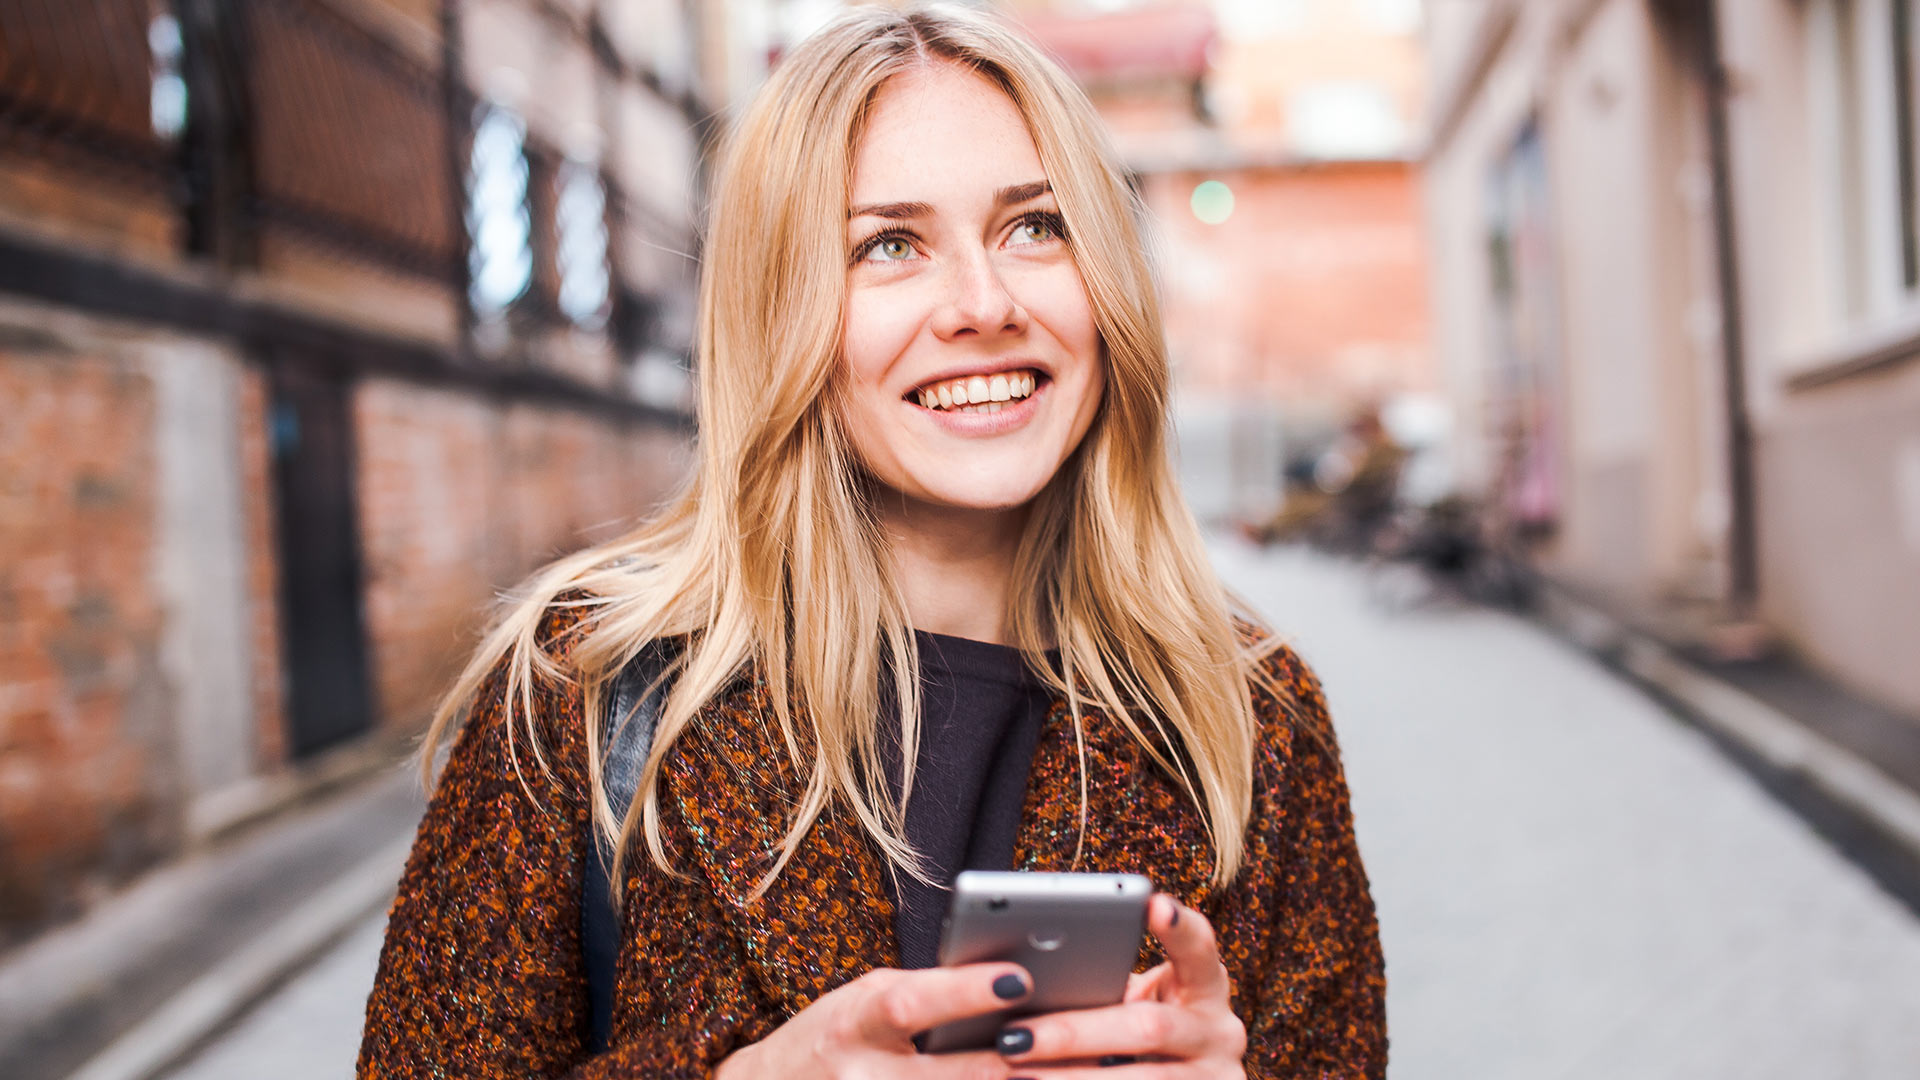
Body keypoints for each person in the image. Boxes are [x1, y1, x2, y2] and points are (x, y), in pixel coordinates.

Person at [357, 6, 1384, 1078]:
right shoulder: (582, 694)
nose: (983, 305)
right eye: (889, 245)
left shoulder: (1253, 715)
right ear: (779, 311)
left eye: (1036, 227)